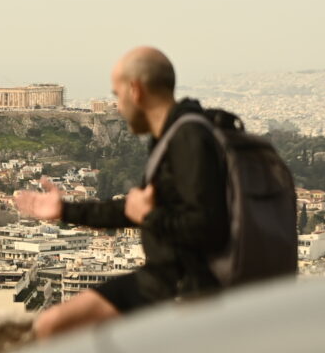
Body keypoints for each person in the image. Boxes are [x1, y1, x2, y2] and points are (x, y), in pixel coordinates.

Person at [15, 46, 229, 338]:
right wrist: (65, 210)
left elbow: (208, 226)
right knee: (54, 324)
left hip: (183, 286)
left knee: (56, 326)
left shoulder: (189, 138)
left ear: (136, 89)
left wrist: (150, 216)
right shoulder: (171, 136)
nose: (116, 106)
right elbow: (131, 208)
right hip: (165, 280)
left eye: (117, 95)